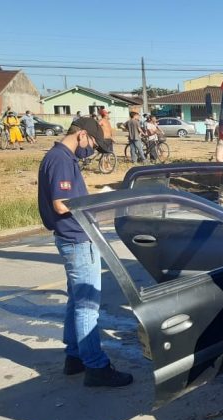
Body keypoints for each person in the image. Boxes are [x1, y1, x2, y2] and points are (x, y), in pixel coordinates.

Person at [37, 117, 134, 387]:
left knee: (76, 301)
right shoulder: (61, 160)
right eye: (92, 143)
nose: (91, 150)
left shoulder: (59, 158)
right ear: (81, 134)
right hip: (77, 239)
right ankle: (96, 366)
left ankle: (74, 357)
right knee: (88, 305)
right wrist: (96, 200)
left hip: (70, 237)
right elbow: (60, 204)